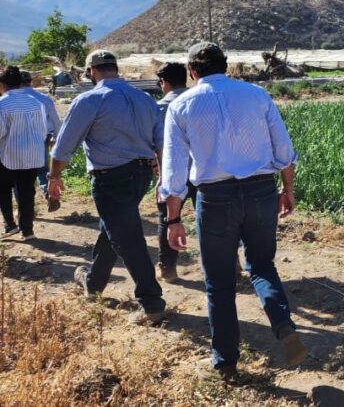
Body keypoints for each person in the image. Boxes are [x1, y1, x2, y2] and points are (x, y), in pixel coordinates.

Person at [162, 42, 305, 376]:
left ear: (192, 71)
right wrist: (287, 190)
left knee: (220, 283)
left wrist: (173, 218)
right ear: (226, 67)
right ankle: (283, 324)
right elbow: (283, 149)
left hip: (215, 198)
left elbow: (174, 171)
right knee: (262, 266)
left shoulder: (181, 106)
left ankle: (225, 362)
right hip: (261, 191)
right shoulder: (256, 95)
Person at [48, 50, 167, 324]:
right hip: (141, 175)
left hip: (111, 176)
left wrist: (54, 177)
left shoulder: (90, 99)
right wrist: (161, 174)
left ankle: (151, 302)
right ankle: (93, 283)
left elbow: (64, 147)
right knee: (114, 226)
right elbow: (160, 142)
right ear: (116, 68)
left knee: (127, 237)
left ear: (91, 71)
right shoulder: (145, 98)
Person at [0, 66, 49, 239]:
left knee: (3, 189)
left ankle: (10, 225)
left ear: (3, 84)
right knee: (27, 192)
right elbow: (43, 130)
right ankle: (27, 230)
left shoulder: (2, 103)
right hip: (33, 156)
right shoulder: (36, 103)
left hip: (9, 156)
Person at [153, 62, 190, 283]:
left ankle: (168, 269)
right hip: (203, 172)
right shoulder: (198, 101)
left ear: (163, 83)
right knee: (214, 219)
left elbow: (156, 144)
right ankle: (231, 265)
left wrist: (160, 175)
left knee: (167, 217)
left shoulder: (158, 108)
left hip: (172, 171)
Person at [18, 70, 61, 212]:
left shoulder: (11, 99)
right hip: (41, 137)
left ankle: (25, 209)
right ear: (30, 82)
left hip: (18, 140)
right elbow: (55, 121)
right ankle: (48, 193)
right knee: (42, 171)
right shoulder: (44, 98)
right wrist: (56, 137)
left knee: (20, 176)